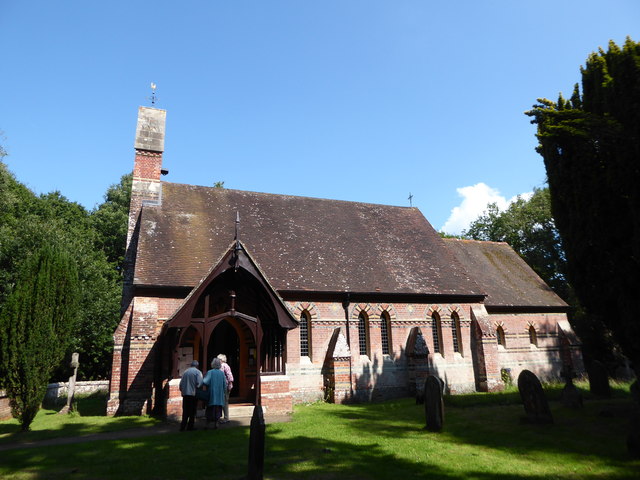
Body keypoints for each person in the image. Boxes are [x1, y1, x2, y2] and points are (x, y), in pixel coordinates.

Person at [202, 357, 226, 429]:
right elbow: (225, 385)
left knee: (210, 410)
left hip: (212, 394)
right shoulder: (222, 373)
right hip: (219, 395)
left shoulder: (210, 372)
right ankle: (216, 423)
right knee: (218, 410)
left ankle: (207, 424)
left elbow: (205, 381)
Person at [179, 360, 203, 431]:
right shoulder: (198, 372)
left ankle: (183, 426)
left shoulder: (185, 372)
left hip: (185, 394)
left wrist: (183, 391)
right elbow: (199, 383)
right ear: (197, 366)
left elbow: (181, 384)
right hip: (193, 394)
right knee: (192, 412)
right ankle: (190, 426)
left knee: (185, 411)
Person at [217, 353, 234, 423]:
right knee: (223, 401)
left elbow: (230, 376)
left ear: (221, 360)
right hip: (222, 386)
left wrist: (229, 385)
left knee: (225, 402)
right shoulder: (220, 366)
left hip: (225, 387)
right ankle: (222, 417)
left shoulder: (225, 366)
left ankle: (226, 418)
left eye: (218, 359)